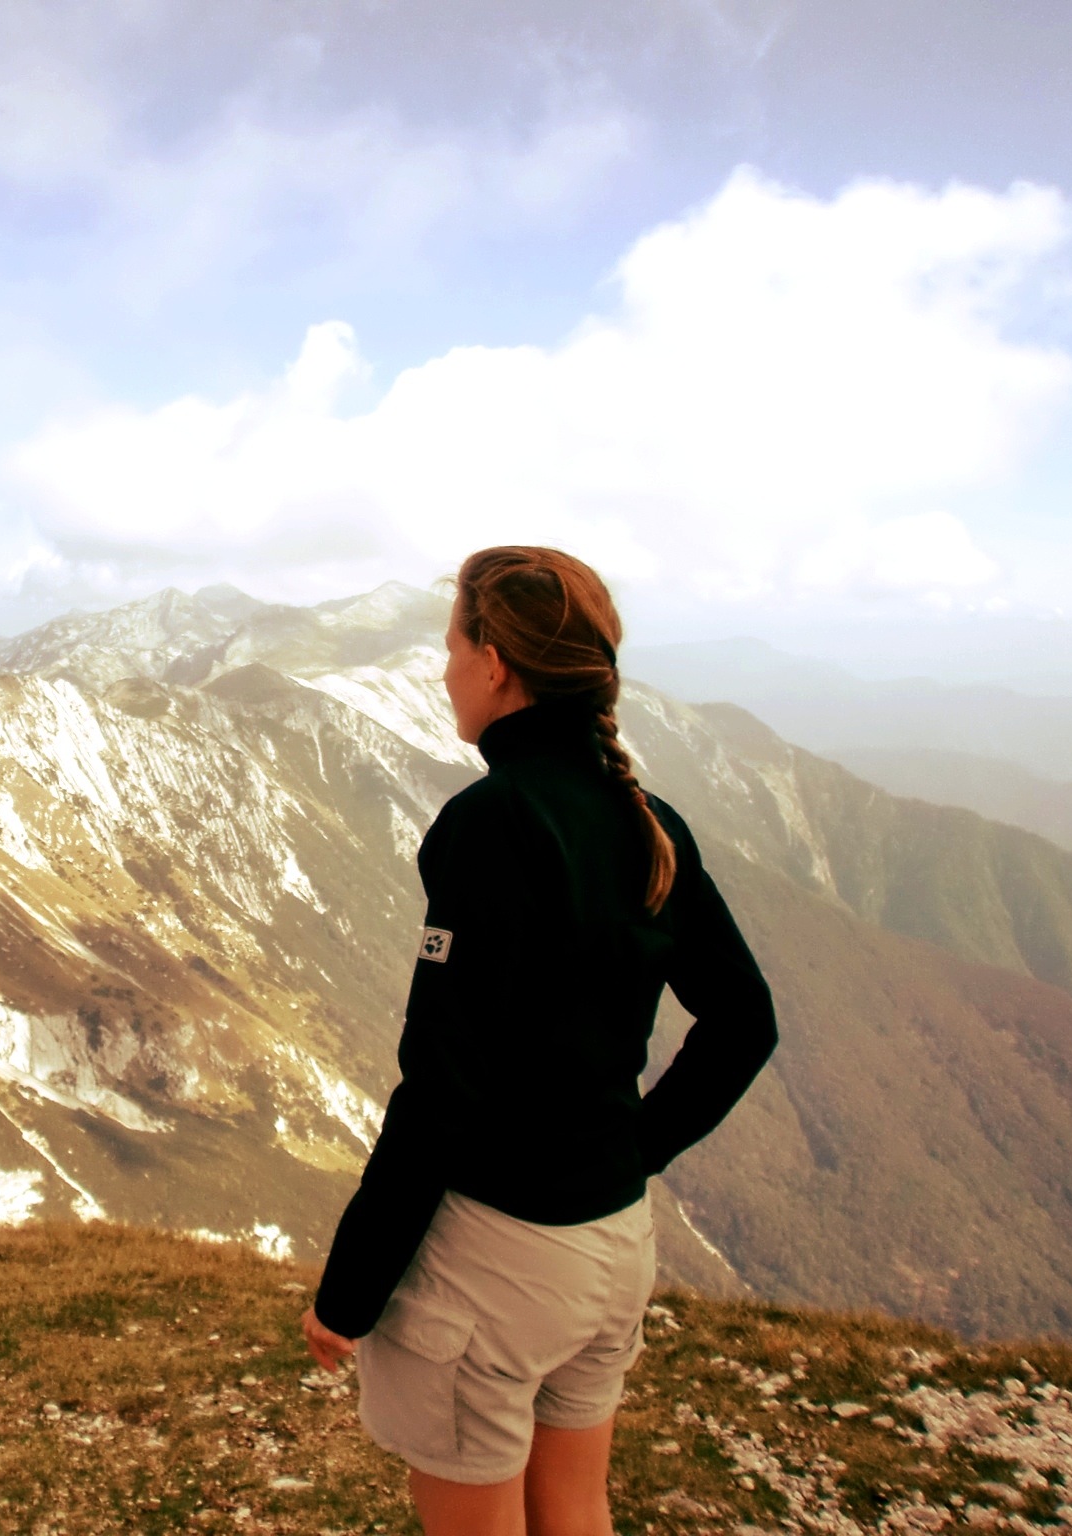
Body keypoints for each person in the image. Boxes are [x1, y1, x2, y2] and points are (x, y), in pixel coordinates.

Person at [299, 546, 778, 1536]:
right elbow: (743, 1021)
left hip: (497, 1264)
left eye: (448, 648)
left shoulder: (490, 822)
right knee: (572, 1510)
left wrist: (346, 1293)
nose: (440, 672)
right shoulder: (646, 820)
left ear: (492, 661)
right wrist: (629, 1152)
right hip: (613, 1248)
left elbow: (440, 1086)